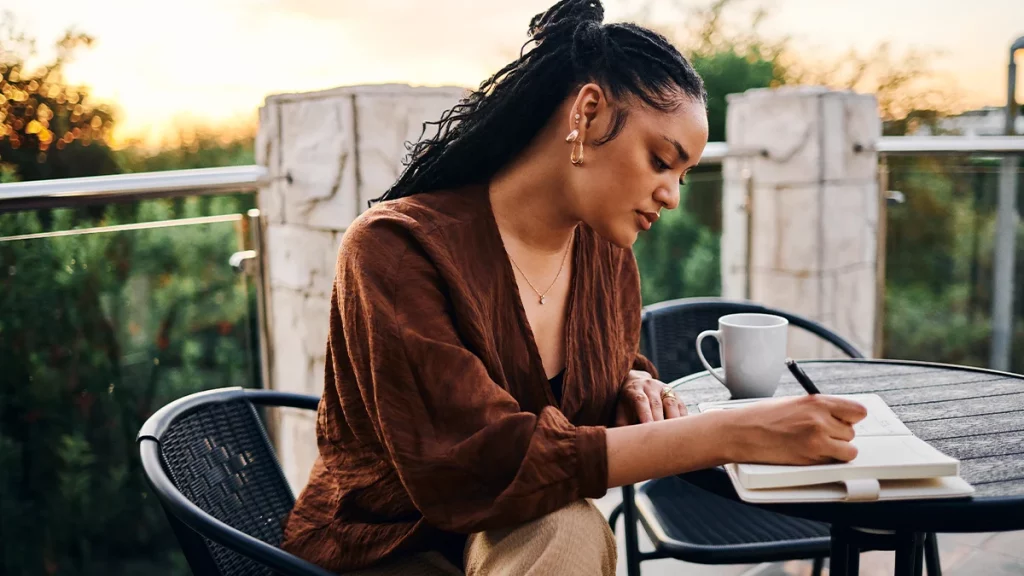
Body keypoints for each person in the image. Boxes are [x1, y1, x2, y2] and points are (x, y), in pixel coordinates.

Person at [281, 1, 868, 574]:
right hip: (387, 547)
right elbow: (475, 465)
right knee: (565, 528)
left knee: (565, 526)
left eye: (685, 176)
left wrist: (628, 380)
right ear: (588, 114)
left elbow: (582, 395)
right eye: (661, 160)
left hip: (521, 539)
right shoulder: (396, 248)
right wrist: (731, 434)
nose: (672, 196)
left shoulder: (606, 257)